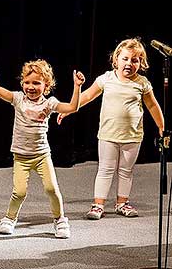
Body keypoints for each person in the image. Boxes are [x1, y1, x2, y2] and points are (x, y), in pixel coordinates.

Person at [0, 50, 85, 238]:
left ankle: (60, 220)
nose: (31, 86)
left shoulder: (49, 103)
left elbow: (72, 107)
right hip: (21, 156)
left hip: (41, 155)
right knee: (19, 192)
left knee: (52, 189)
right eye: (27, 82)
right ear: (22, 84)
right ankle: (9, 219)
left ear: (46, 86)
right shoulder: (18, 99)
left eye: (36, 83)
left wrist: (77, 86)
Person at [57, 38, 164, 220]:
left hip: (132, 136)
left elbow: (153, 106)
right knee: (105, 169)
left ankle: (122, 203)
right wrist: (68, 109)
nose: (129, 63)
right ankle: (98, 205)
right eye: (125, 59)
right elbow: (88, 96)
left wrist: (162, 126)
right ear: (116, 59)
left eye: (135, 60)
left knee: (126, 170)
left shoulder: (142, 83)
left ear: (141, 63)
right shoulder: (106, 79)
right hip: (108, 135)